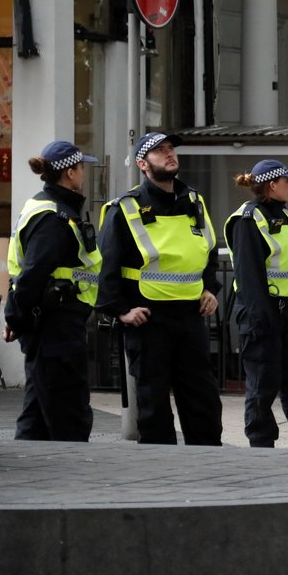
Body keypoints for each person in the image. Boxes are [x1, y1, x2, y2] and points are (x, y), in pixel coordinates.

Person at [96, 132, 223, 445]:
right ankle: (159, 470)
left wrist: (209, 288)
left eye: (170, 149)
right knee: (154, 405)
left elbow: (208, 250)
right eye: (159, 151)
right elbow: (107, 265)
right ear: (143, 163)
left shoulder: (194, 201)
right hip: (149, 319)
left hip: (191, 316)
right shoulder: (125, 208)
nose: (169, 155)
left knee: (202, 399)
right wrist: (120, 311)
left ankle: (212, 466)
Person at [224, 160, 288, 449]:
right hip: (260, 316)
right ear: (272, 184)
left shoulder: (285, 216)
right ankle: (261, 447)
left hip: (284, 314)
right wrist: (263, 319)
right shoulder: (248, 220)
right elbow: (250, 276)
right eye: (286, 181)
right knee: (262, 388)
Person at [4, 141, 99, 441]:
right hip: (55, 327)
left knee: (36, 418)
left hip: (50, 324)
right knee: (68, 415)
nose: (84, 173)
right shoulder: (53, 217)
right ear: (70, 172)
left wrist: (16, 318)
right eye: (82, 167)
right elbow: (33, 274)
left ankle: (32, 469)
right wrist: (16, 319)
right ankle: (72, 478)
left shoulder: (47, 208)